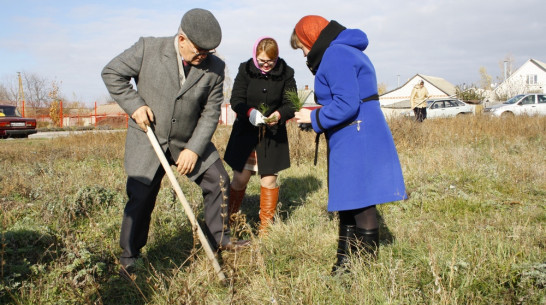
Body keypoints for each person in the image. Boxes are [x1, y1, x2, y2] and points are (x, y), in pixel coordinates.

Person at [101, 8, 249, 279]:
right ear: (182, 39)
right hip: (149, 138)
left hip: (189, 139)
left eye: (209, 52)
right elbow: (112, 73)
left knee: (219, 181)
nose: (204, 57)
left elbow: (211, 112)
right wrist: (135, 106)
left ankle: (220, 239)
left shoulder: (215, 68)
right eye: (200, 51)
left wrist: (194, 148)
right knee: (141, 197)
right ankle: (130, 256)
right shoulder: (148, 49)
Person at [290, 15, 407, 273]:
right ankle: (345, 263)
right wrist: (316, 116)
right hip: (356, 131)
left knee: (361, 200)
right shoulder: (344, 50)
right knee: (348, 199)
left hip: (356, 133)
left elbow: (347, 104)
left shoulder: (335, 55)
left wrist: (315, 116)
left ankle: (362, 269)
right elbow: (348, 99)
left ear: (312, 38)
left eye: (303, 47)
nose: (305, 54)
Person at [224, 37, 297, 235]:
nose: (265, 65)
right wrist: (250, 113)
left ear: (277, 58)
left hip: (272, 136)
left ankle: (265, 228)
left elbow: (292, 103)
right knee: (240, 179)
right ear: (255, 56)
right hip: (246, 134)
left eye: (270, 62)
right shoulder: (245, 70)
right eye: (262, 61)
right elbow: (236, 100)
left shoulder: (286, 73)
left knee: (269, 181)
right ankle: (228, 222)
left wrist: (279, 114)